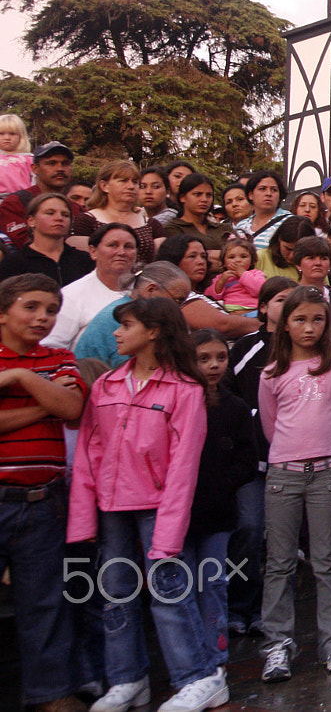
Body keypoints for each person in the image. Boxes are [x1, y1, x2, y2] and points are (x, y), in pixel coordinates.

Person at [69, 296, 228, 712]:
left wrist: (169, 531)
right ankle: (127, 678)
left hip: (158, 505)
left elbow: (183, 466)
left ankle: (200, 676)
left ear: (154, 331)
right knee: (115, 591)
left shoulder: (184, 388)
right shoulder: (105, 385)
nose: (116, 333)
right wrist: (85, 518)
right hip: (113, 505)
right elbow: (89, 453)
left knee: (168, 590)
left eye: (126, 325)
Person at [256, 286, 331, 682]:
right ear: (285, 324)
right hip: (283, 475)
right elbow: (270, 425)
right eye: (300, 319)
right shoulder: (272, 373)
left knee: (327, 560)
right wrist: (292, 450)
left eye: (317, 319)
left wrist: (327, 444)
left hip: (326, 473)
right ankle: (278, 644)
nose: (309, 327)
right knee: (280, 563)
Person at [0, 274, 87, 711]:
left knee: (45, 604)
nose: (43, 318)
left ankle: (51, 694)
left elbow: (71, 408)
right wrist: (44, 403)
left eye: (51, 310)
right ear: (3, 312)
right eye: (30, 307)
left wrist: (17, 377)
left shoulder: (60, 356)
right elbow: (57, 405)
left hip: (42, 500)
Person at [225, 276, 298, 638]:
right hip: (253, 459)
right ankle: (241, 605)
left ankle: (276, 612)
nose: (286, 307)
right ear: (264, 306)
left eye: (293, 300)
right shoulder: (245, 348)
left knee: (284, 541)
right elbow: (229, 396)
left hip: (296, 459)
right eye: (280, 299)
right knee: (249, 529)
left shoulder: (307, 349)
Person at [186, 329, 256, 665]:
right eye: (204, 359)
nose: (214, 365)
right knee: (180, 584)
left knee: (213, 580)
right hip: (181, 509)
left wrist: (222, 484)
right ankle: (189, 652)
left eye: (220, 358)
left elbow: (246, 458)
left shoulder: (235, 407)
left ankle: (215, 652)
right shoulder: (180, 401)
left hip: (219, 508)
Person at [73, 262, 190, 367]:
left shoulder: (135, 313)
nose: (178, 308)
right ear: (151, 290)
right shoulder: (119, 317)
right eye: (177, 300)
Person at [44, 223, 140, 349]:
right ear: (93, 251)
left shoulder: (147, 289)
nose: (121, 252)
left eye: (128, 247)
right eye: (112, 245)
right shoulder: (71, 295)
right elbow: (52, 345)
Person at [155, 235, 258, 340]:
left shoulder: (202, 292)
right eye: (192, 256)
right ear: (174, 260)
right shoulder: (178, 295)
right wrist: (267, 323)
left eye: (203, 256)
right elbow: (223, 325)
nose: (201, 261)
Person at [70, 161, 165, 263]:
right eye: (123, 181)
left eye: (135, 182)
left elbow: (160, 263)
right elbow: (81, 262)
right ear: (104, 186)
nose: (131, 186)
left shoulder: (151, 225)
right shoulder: (86, 220)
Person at [0, 140, 83, 250]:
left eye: (65, 163)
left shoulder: (76, 208)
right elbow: (23, 245)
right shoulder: (15, 203)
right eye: (51, 163)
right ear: (35, 169)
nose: (60, 169)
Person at [0, 192, 94, 284]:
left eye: (65, 215)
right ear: (31, 220)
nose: (59, 218)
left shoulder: (84, 260)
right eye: (50, 213)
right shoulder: (13, 263)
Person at [163, 174, 229, 271]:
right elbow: (182, 261)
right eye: (197, 194)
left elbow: (242, 254)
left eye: (209, 195)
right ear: (183, 198)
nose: (204, 200)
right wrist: (226, 256)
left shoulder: (224, 228)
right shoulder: (173, 229)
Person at [234, 170, 291, 252]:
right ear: (250, 195)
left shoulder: (289, 222)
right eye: (262, 189)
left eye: (274, 190)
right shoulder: (241, 226)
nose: (268, 193)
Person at [208, 237, 266, 314]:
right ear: (224, 262)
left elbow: (259, 290)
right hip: (229, 312)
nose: (238, 260)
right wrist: (221, 282)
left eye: (243, 256)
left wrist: (243, 274)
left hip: (253, 310)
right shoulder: (222, 277)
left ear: (252, 260)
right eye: (231, 257)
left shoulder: (256, 274)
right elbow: (211, 296)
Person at [0, 113, 35, 194]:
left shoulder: (29, 159)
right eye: (1, 134)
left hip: (21, 200)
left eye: (12, 134)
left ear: (21, 136)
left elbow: (36, 182)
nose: (7, 138)